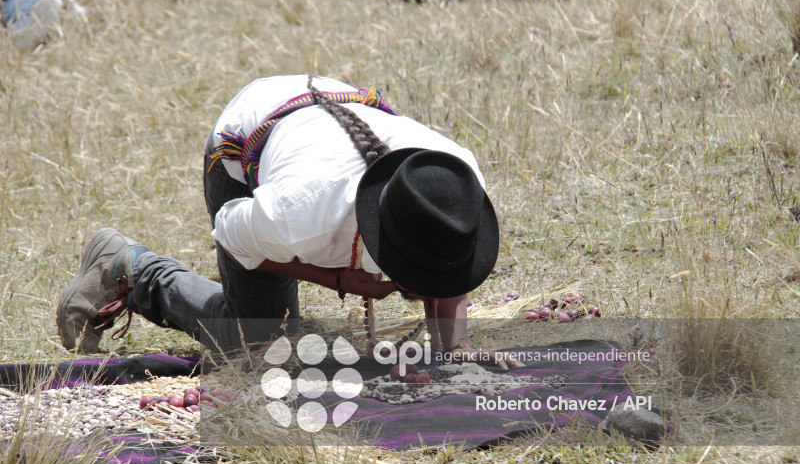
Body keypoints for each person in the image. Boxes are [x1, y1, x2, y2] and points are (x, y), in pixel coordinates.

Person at [56, 75, 522, 369]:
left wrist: (454, 346)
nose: (439, 283)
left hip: (328, 123)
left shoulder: (456, 178)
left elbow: (442, 243)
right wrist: (338, 278)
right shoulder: (298, 215)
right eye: (422, 275)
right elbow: (231, 232)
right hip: (246, 140)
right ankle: (134, 268)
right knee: (258, 338)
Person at [0, 0, 85, 50]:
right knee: (23, 4)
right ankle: (25, 33)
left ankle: (23, 32)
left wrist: (73, 8)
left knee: (23, 6)